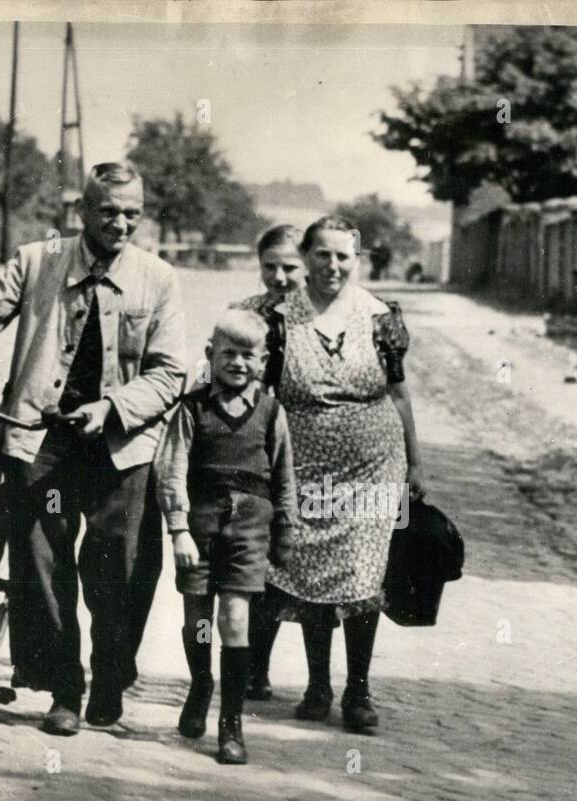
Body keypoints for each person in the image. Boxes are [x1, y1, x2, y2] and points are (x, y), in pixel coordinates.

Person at [0, 162, 188, 735]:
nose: (121, 223)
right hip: (40, 438)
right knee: (38, 564)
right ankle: (64, 687)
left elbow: (171, 372)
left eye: (132, 212)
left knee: (122, 570)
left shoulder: (158, 280)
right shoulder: (38, 261)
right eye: (108, 211)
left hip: (120, 447)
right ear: (81, 211)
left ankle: (110, 677)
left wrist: (113, 408)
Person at [248, 215, 426, 733]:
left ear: (357, 258)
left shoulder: (380, 317)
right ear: (305, 257)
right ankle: (317, 685)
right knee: (311, 571)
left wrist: (416, 463)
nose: (332, 266)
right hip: (302, 465)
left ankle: (359, 693)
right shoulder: (279, 318)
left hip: (373, 465)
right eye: (321, 255)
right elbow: (262, 394)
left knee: (361, 573)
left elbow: (398, 392)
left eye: (342, 256)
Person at [154, 310, 298, 764]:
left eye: (248, 355)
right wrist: (178, 529)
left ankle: (230, 723)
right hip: (199, 530)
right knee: (198, 619)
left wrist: (287, 529)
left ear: (263, 361)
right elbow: (171, 470)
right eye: (228, 353)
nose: (237, 362)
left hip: (249, 531)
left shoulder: (273, 413)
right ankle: (200, 685)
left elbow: (285, 476)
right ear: (210, 355)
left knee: (234, 621)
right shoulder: (192, 408)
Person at [228, 224, 306, 700]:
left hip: (309, 445)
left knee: (292, 557)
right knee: (255, 554)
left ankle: (317, 680)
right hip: (252, 444)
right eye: (269, 267)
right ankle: (255, 666)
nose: (279, 277)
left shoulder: (319, 316)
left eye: (290, 267)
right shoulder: (244, 315)